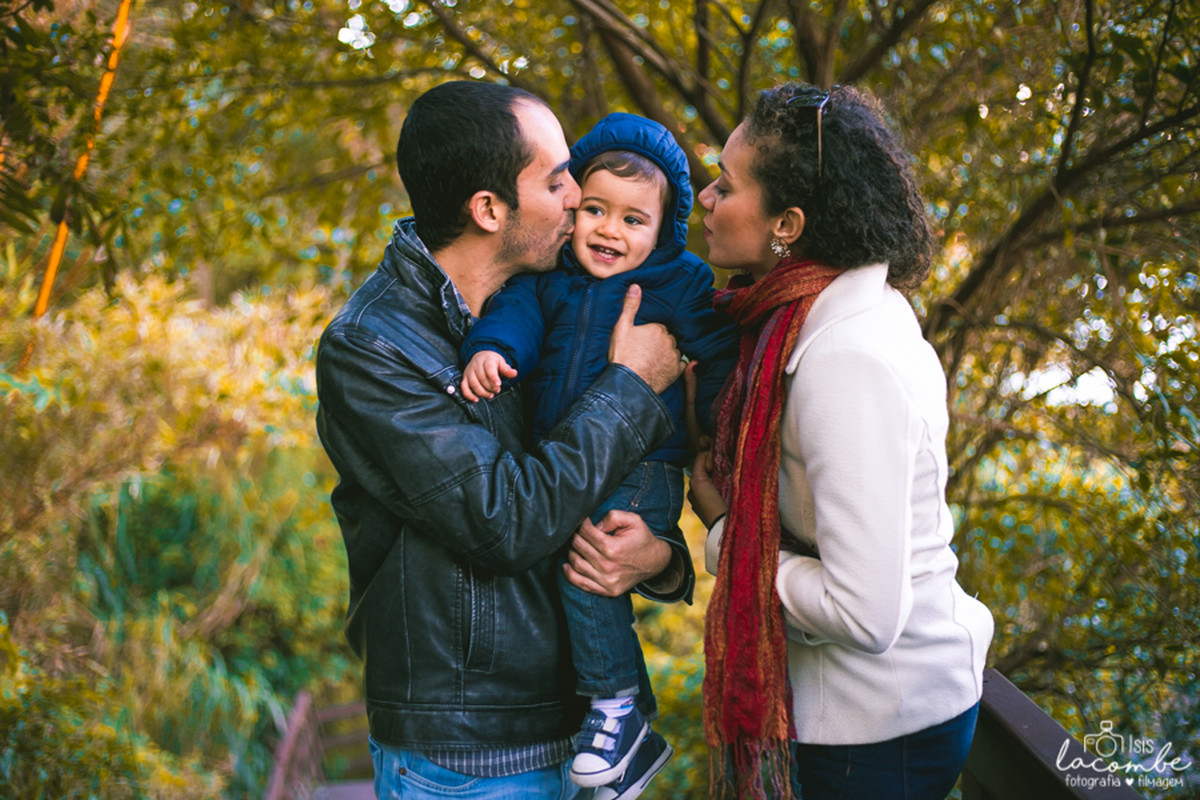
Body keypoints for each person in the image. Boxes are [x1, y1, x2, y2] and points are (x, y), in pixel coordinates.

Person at [315, 80, 694, 800]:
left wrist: (659, 561)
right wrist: (631, 385)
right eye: (556, 181)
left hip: (576, 732)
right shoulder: (372, 348)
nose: (577, 197)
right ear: (489, 209)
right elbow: (507, 518)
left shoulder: (552, 305)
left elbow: (593, 486)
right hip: (470, 759)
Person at [685, 82, 994, 800]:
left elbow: (865, 614)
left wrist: (726, 535)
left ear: (786, 223)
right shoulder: (800, 316)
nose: (705, 198)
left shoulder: (844, 356)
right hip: (864, 715)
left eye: (725, 185)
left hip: (876, 732)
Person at [459, 112, 738, 797]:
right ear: (572, 207)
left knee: (587, 562)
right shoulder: (549, 277)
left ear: (663, 231)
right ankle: (621, 721)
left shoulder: (680, 283)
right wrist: (489, 350)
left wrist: (725, 425)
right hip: (571, 455)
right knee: (581, 565)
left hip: (644, 461)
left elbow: (722, 354)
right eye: (594, 211)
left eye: (633, 221)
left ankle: (617, 711)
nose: (609, 231)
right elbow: (514, 316)